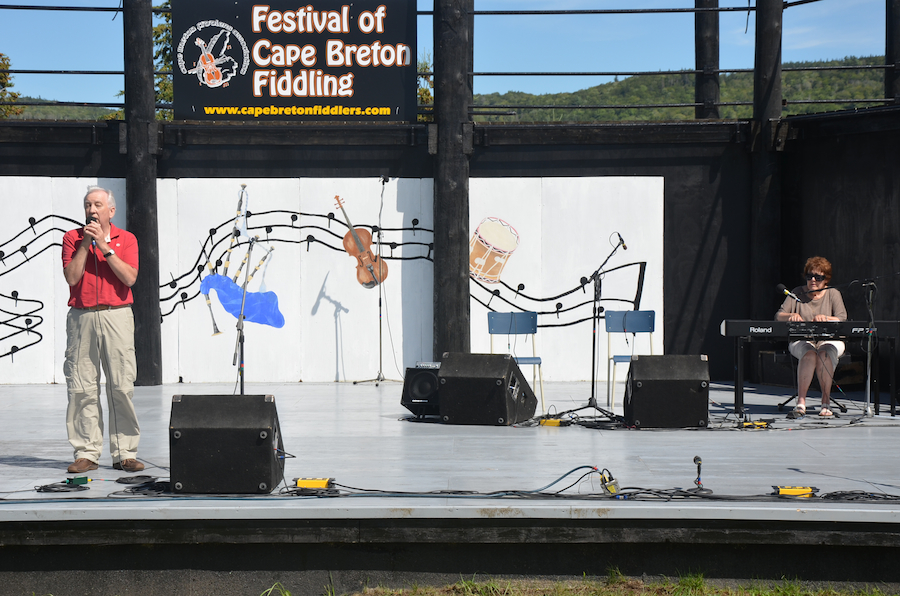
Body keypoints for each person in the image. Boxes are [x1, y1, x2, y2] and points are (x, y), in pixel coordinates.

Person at [61, 187, 144, 473]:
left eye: (98, 204)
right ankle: (86, 453)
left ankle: (125, 453)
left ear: (111, 210)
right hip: (82, 316)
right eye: (87, 205)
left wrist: (105, 247)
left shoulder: (127, 239)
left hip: (116, 315)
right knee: (82, 387)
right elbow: (72, 277)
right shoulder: (72, 238)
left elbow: (130, 278)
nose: (92, 210)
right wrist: (86, 243)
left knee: (121, 385)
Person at [775, 256, 847, 417]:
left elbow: (842, 318)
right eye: (809, 276)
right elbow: (779, 316)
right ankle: (801, 403)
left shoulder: (833, 293)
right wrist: (790, 316)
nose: (813, 280)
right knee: (809, 354)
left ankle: (825, 402)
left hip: (829, 339)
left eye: (818, 277)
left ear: (826, 279)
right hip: (803, 339)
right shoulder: (796, 293)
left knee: (825, 353)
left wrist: (826, 318)